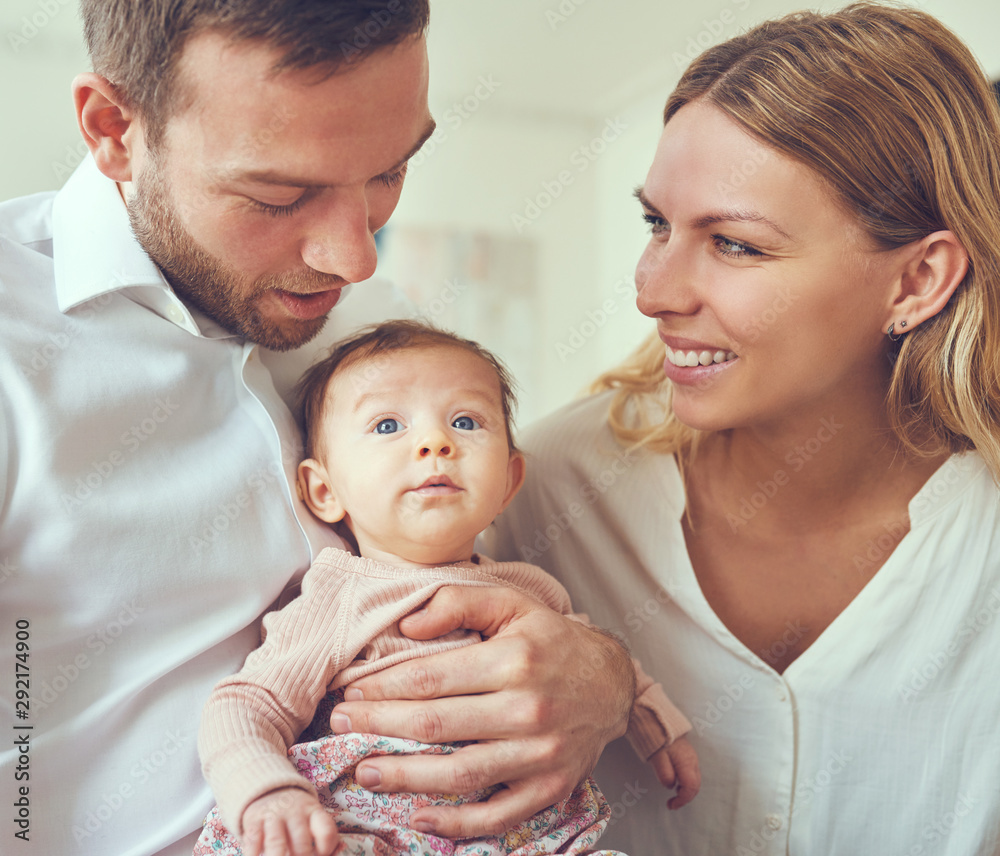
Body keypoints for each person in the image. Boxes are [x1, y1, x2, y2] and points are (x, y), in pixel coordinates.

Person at [0, 3, 634, 854]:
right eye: (279, 195)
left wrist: (603, 677)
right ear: (114, 128)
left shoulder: (375, 323)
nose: (355, 257)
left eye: (389, 174)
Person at [490, 4, 1000, 854]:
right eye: (657, 224)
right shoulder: (540, 496)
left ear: (917, 279)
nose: (656, 291)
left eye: (734, 245)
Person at [193, 320, 699, 856]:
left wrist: (657, 725)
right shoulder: (338, 598)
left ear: (508, 481)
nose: (436, 443)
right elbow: (247, 706)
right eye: (388, 426)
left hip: (519, 838)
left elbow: (597, 665)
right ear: (324, 490)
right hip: (367, 830)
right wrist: (267, 795)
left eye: (465, 420)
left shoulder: (530, 590)